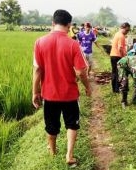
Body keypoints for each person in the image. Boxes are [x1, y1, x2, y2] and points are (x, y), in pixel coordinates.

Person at [32, 9, 92, 166]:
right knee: (72, 124)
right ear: (69, 25)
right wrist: (87, 87)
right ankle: (69, 155)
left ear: (52, 23)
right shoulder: (73, 44)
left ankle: (52, 152)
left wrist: (35, 92)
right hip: (70, 95)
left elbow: (37, 70)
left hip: (49, 95)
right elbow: (81, 72)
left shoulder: (39, 42)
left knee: (51, 126)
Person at [110, 22, 131, 93]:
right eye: (126, 30)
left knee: (114, 72)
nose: (127, 32)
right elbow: (120, 48)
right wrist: (124, 57)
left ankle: (114, 88)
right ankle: (116, 89)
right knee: (118, 73)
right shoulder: (121, 36)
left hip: (113, 55)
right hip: (117, 56)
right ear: (123, 28)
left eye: (128, 31)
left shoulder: (117, 34)